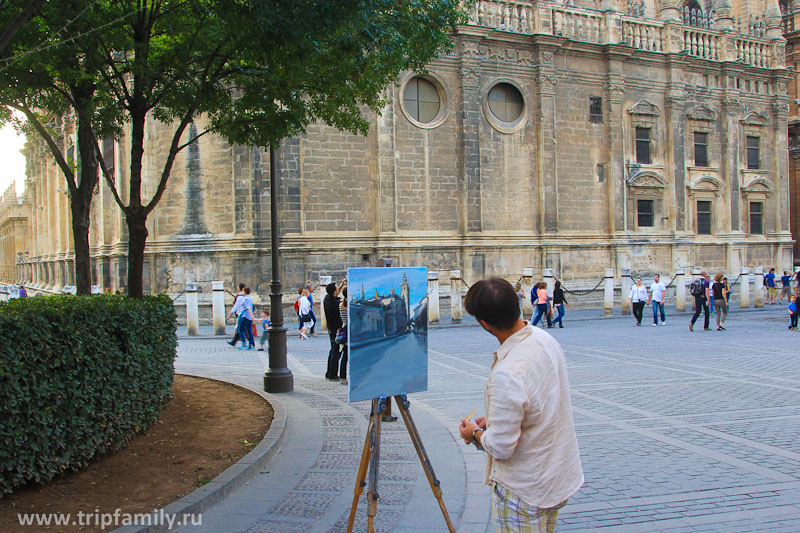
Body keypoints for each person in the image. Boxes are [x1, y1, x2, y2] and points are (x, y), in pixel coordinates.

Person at [457, 278, 583, 532]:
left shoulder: (507, 373)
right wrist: (495, 419)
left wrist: (476, 434)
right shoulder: (543, 338)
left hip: (524, 490)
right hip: (555, 474)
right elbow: (535, 404)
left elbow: (501, 448)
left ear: (484, 324)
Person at [324, 280, 345, 380]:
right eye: (336, 288)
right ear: (334, 292)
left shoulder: (327, 299)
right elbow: (342, 302)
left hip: (331, 328)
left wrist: (341, 285)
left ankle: (329, 373)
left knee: (333, 350)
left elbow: (336, 294)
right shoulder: (336, 303)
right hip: (336, 329)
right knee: (336, 352)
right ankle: (333, 374)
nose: (338, 289)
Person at [339, 287, 349, 384]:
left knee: (345, 355)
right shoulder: (351, 305)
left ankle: (343, 377)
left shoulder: (341, 305)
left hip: (345, 329)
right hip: (351, 331)